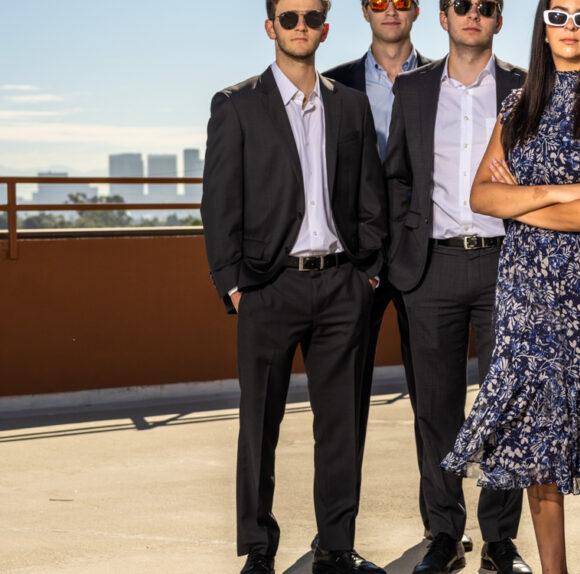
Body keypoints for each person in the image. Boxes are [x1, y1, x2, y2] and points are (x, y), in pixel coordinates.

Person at [440, 0, 580, 572]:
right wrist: (561, 191)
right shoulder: (518, 105)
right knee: (539, 432)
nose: (569, 27)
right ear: (542, 25)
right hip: (527, 292)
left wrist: (526, 200)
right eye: (558, 15)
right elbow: (481, 198)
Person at [201, 1, 388, 573]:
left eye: (311, 17)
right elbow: (218, 204)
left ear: (326, 28)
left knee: (340, 427)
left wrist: (369, 272)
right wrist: (235, 287)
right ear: (270, 27)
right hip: (267, 288)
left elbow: (369, 196)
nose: (300, 26)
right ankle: (258, 549)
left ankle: (335, 546)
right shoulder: (236, 106)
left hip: (341, 286)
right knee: (259, 426)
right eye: (289, 17)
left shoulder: (351, 106)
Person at [382, 1, 530, 573]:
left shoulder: (524, 85)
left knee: (507, 408)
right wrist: (402, 259)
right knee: (436, 410)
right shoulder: (414, 89)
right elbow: (397, 175)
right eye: (461, 5)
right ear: (442, 18)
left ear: (498, 20)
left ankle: (499, 540)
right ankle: (444, 533)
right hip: (431, 269)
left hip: (506, 266)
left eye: (485, 7)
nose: (473, 14)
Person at [322, 0, 440, 549]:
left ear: (417, 11)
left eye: (402, 2)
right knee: (345, 404)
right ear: (364, 12)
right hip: (355, 261)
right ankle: (337, 537)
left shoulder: (444, 79)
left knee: (434, 404)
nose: (391, 10)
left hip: (426, 257)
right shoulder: (333, 83)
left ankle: (442, 529)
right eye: (378, 2)